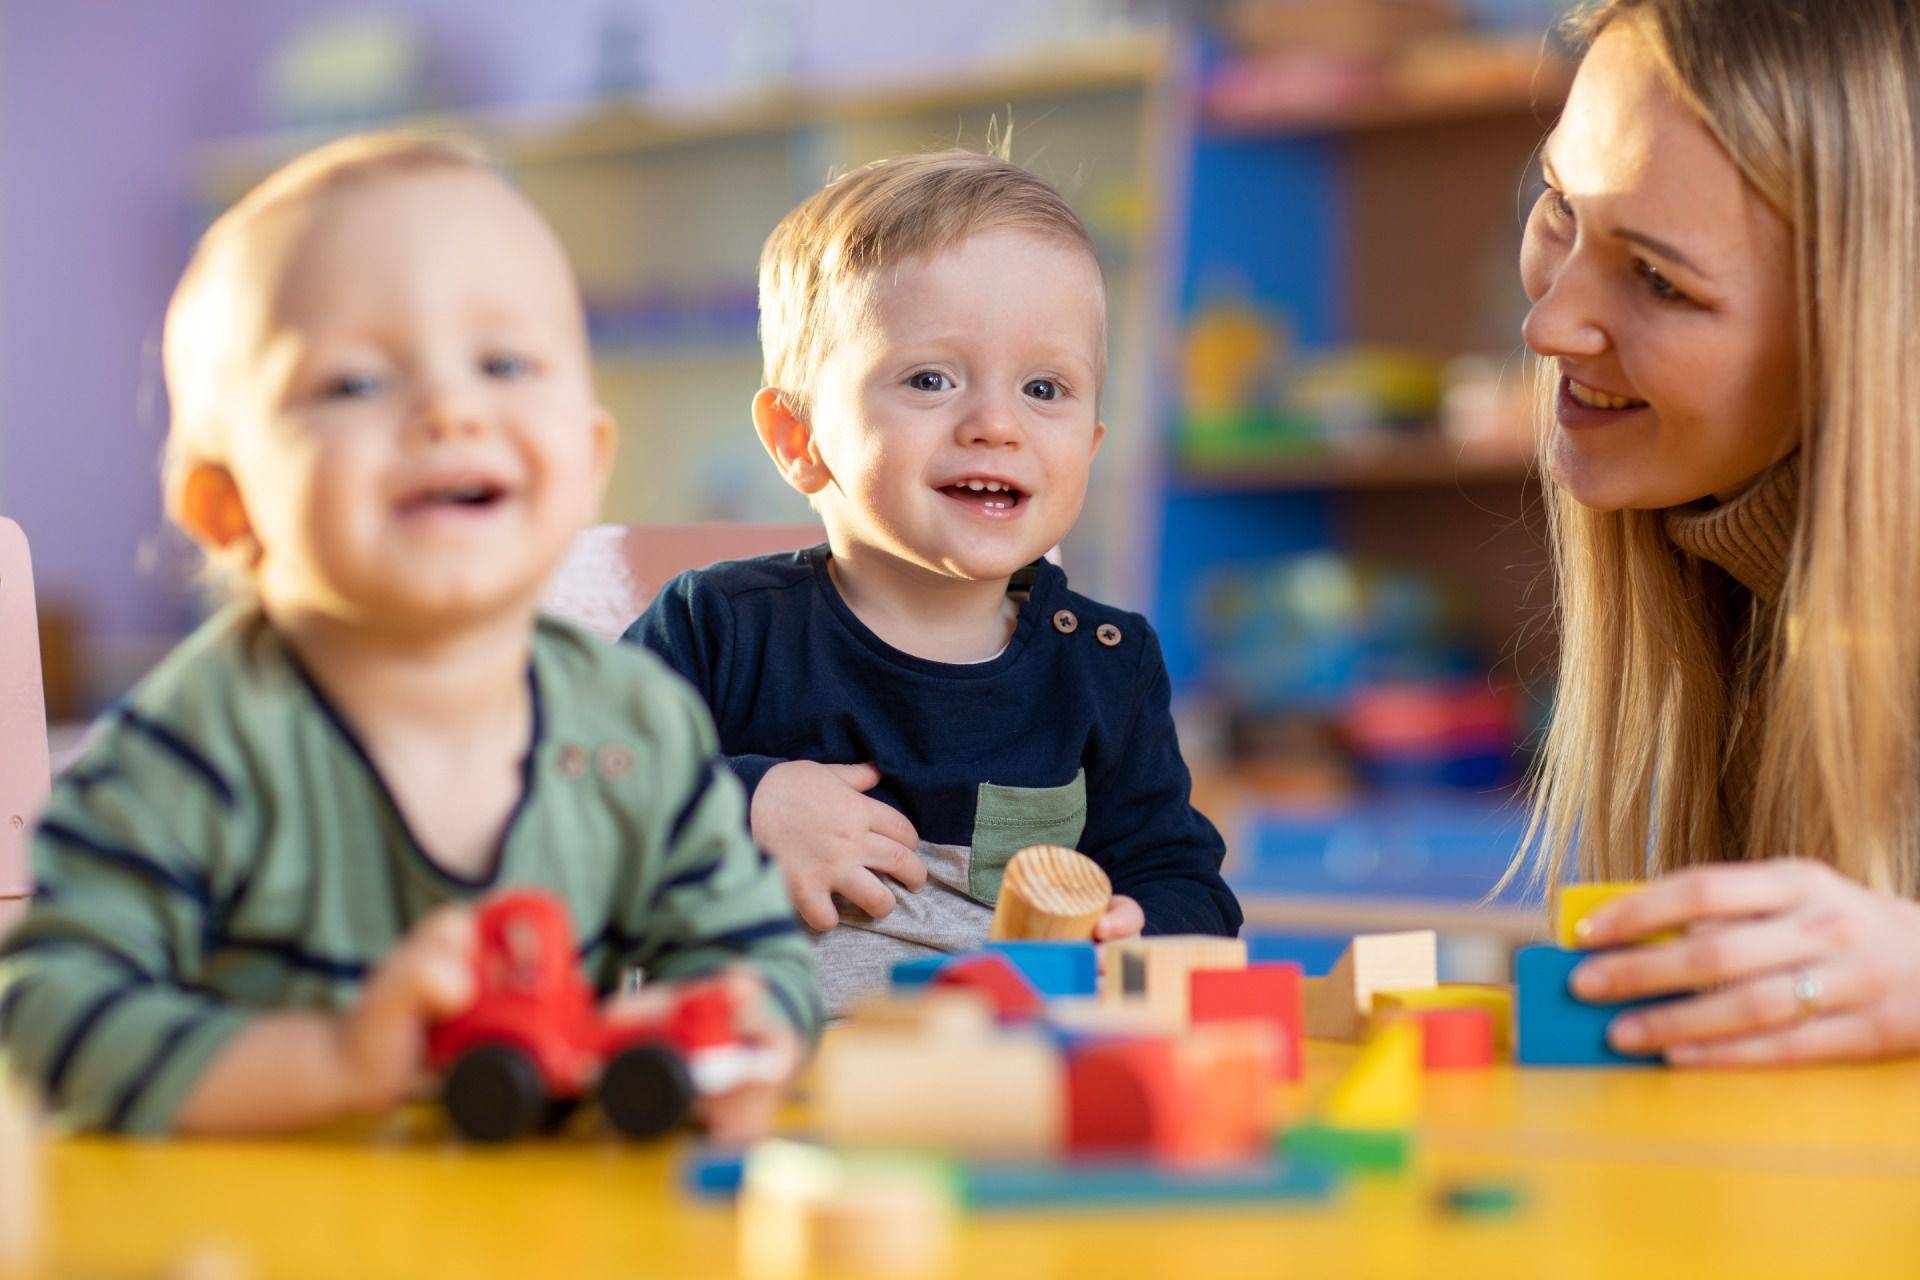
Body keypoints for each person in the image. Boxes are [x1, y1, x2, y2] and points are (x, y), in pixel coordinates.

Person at [0, 135, 819, 1135]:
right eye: (353, 382)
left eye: (504, 362)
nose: (450, 408)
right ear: (226, 505)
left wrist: (735, 1028)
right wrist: (334, 1060)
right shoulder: (199, 744)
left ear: (588, 457)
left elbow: (758, 955)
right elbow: (43, 1016)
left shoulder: (632, 724)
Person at [628, 150, 1241, 1011]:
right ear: (799, 438)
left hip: (1012, 1085)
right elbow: (567, 781)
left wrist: (1148, 932)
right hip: (759, 1084)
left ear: (1091, 446)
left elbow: (1184, 878)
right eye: (930, 379)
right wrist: (746, 803)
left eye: (1044, 387)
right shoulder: (719, 628)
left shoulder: (1106, 664)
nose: (996, 424)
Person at [1516, 0, 1920, 1064]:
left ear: (1865, 331)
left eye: (1657, 279)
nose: (1548, 323)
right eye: (1560, 201)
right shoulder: (1730, 590)